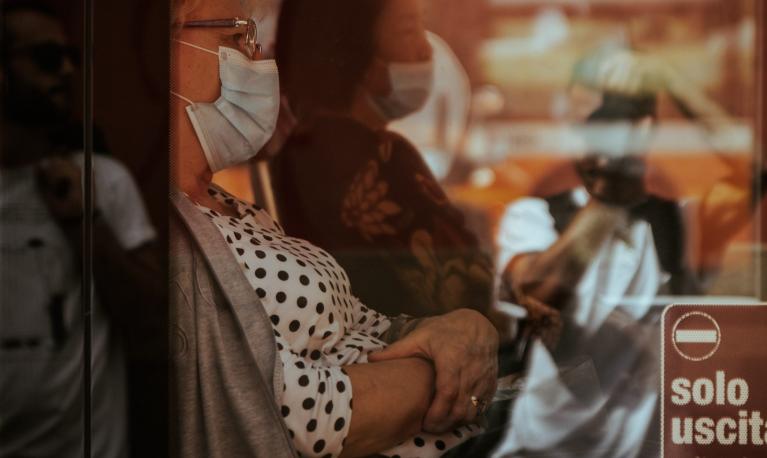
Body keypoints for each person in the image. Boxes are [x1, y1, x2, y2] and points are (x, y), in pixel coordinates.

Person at [168, 0, 499, 457]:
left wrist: (461, 330)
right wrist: (449, 370)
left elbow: (366, 327)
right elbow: (306, 417)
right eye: (235, 39)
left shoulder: (232, 209)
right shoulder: (171, 234)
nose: (259, 59)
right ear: (159, 55)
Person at [493, 45, 763, 457]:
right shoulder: (534, 216)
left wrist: (672, 81)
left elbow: (755, 171)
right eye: (584, 121)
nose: (593, 134)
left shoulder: (678, 224)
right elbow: (539, 292)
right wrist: (609, 199)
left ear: (643, 127)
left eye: (609, 119)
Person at [270, 0, 498, 321]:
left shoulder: (298, 149)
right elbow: (470, 286)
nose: (426, 50)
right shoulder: (382, 159)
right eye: (409, 30)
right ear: (357, 48)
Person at [0, 2, 160, 456]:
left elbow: (153, 326)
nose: (67, 71)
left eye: (71, 56)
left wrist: (84, 223)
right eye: (47, 59)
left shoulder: (102, 181)